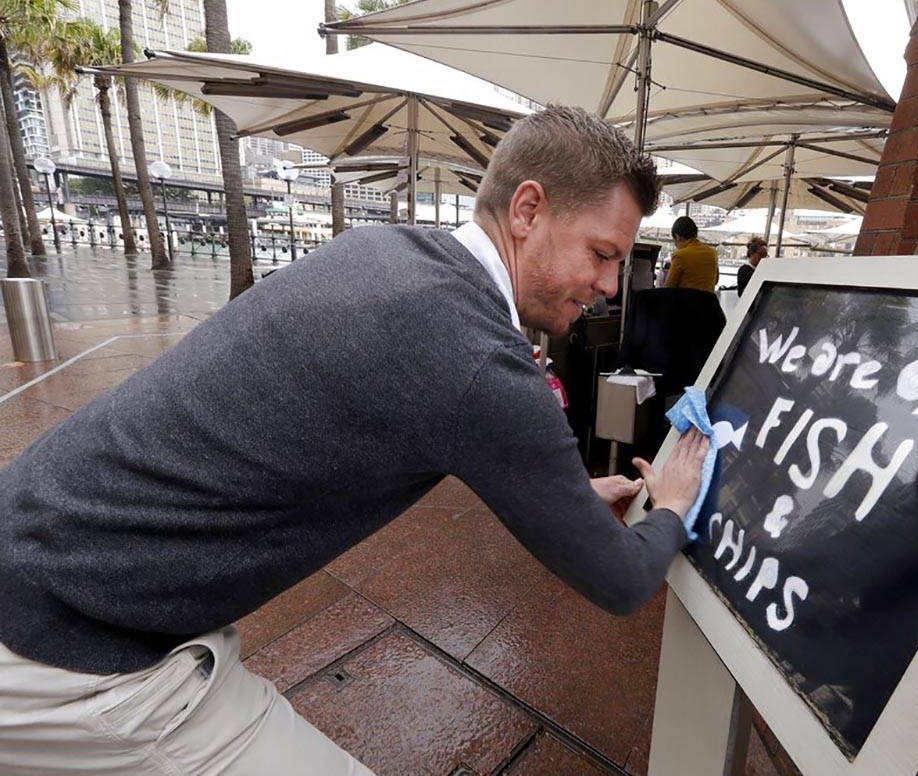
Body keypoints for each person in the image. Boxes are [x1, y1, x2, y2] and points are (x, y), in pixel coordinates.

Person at [0, 106, 709, 775]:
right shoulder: (477, 364)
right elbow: (620, 580)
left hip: (38, 541)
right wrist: (673, 504)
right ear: (527, 211)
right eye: (602, 252)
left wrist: (562, 496)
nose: (612, 286)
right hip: (69, 641)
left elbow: (421, 409)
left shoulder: (386, 251)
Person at [663, 215, 718, 291]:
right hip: (707, 302)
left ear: (677, 236)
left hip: (685, 302)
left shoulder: (680, 255)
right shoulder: (713, 253)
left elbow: (669, 287)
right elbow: (716, 280)